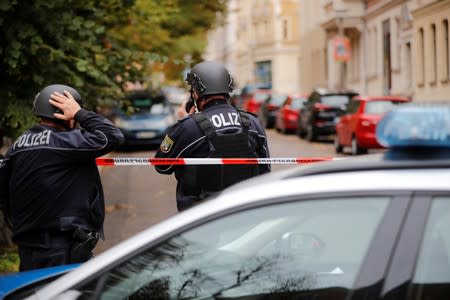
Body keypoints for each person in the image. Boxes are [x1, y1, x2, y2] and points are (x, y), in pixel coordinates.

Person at [0, 84, 124, 271]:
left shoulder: (16, 146)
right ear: (65, 114)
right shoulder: (66, 141)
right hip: (61, 247)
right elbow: (113, 136)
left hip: (27, 248)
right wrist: (80, 113)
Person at [155, 61, 271, 211]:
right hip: (243, 212)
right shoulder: (253, 123)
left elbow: (161, 166)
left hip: (201, 218)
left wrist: (183, 123)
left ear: (196, 93)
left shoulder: (188, 127)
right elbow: (265, 171)